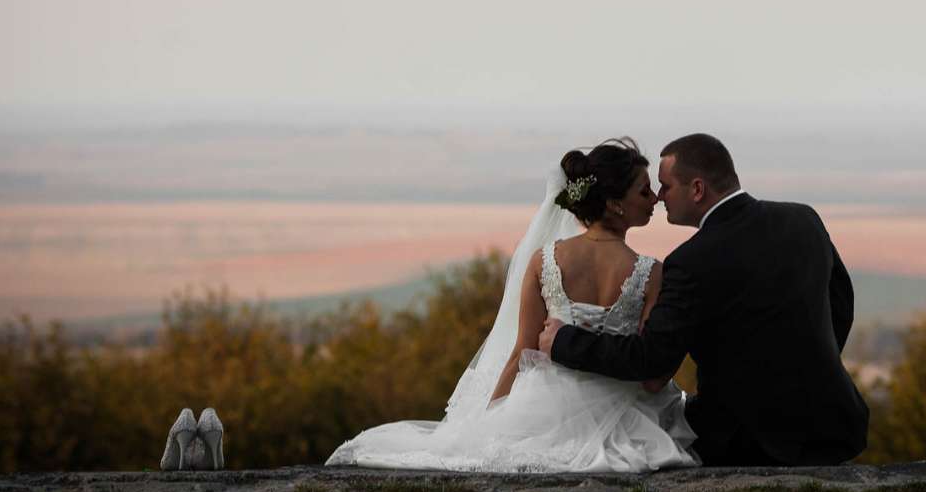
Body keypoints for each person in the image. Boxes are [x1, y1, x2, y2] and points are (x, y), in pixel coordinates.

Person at [325, 138, 697, 472]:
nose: (656, 200)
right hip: (624, 414)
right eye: (645, 192)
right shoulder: (651, 272)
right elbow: (651, 377)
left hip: (545, 408)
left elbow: (523, 351)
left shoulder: (545, 260)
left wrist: (491, 417)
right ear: (615, 204)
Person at [541, 133, 869, 465]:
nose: (659, 198)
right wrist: (808, 370)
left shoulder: (691, 261)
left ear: (697, 190)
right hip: (833, 424)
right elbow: (841, 305)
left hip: (747, 440)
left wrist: (564, 341)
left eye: (666, 187)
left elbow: (652, 358)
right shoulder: (804, 220)